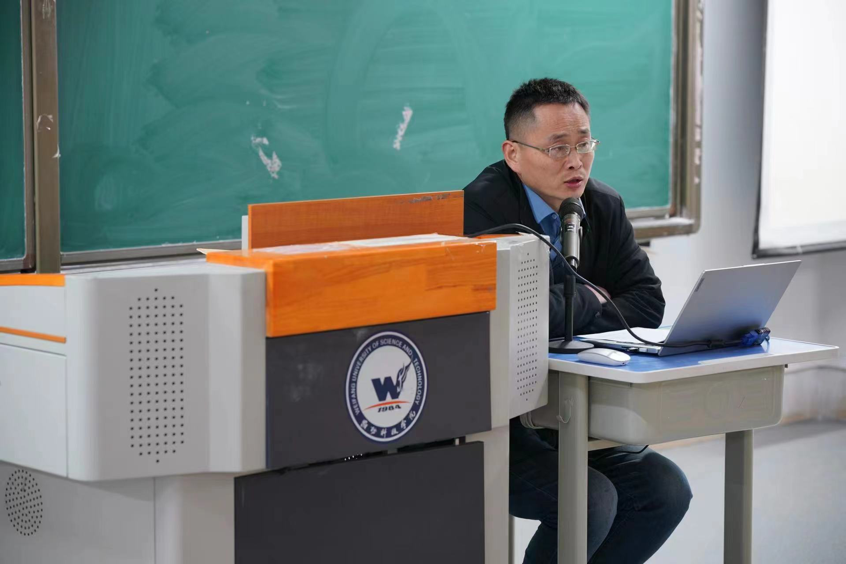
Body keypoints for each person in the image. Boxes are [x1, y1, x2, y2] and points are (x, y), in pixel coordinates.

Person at [464, 78, 692, 564]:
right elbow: (509, 316)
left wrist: (563, 307)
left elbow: (647, 303)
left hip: (572, 408)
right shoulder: (481, 210)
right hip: (499, 422)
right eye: (558, 148)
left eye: (584, 144)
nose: (576, 161)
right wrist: (591, 298)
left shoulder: (602, 204)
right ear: (513, 154)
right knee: (589, 499)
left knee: (665, 490)